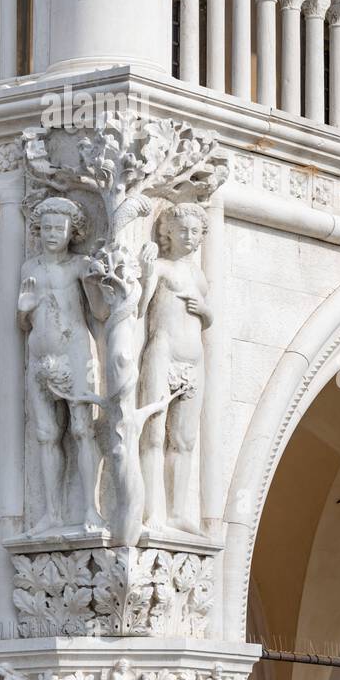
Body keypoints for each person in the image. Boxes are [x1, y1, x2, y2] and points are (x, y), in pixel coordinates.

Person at [17, 196, 103, 533]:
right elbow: (23, 324)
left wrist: (95, 283)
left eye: (60, 227)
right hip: (40, 358)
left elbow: (98, 313)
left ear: (72, 231)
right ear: (38, 230)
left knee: (83, 430)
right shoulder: (30, 268)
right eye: (47, 227)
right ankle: (52, 514)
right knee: (46, 434)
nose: (53, 233)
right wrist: (24, 308)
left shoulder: (79, 265)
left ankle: (92, 510)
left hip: (76, 353)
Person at [138, 203, 212, 532]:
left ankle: (178, 511)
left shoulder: (198, 275)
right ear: (168, 232)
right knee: (153, 434)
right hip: (163, 353)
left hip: (193, 358)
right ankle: (151, 511)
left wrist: (204, 309)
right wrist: (144, 270)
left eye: (195, 231)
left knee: (183, 440)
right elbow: (140, 309)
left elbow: (207, 318)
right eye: (183, 230)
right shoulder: (163, 268)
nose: (189, 236)